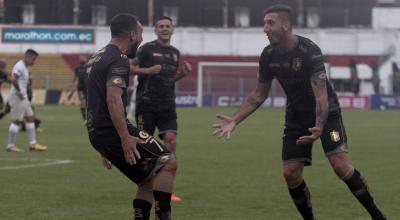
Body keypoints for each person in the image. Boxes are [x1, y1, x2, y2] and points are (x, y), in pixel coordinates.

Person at [213, 5, 386, 220]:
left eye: (270, 23)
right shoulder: (268, 55)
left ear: (286, 25)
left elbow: (321, 96)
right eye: (264, 23)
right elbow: (259, 94)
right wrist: (235, 120)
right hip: (296, 116)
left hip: (326, 114)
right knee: (290, 173)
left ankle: (378, 216)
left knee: (340, 167)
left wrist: (319, 127)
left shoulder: (309, 51)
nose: (265, 28)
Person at [86, 13, 177, 220]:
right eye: (141, 32)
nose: (142, 38)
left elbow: (93, 102)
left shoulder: (96, 57)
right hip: (113, 131)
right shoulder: (119, 59)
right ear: (132, 34)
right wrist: (125, 137)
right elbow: (112, 100)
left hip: (99, 133)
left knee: (146, 181)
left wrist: (102, 146)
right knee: (168, 161)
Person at [131, 16, 191, 201]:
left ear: (172, 30)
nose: (165, 29)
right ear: (156, 30)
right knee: (144, 146)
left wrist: (181, 74)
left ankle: (164, 185)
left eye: (168, 26)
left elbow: (168, 79)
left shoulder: (175, 53)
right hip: (146, 104)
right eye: (161, 26)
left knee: (171, 141)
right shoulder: (146, 49)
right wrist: (147, 71)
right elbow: (128, 67)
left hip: (167, 105)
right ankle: (146, 184)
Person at [6, 49, 47, 152]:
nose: (34, 62)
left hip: (23, 97)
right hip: (18, 97)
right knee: (16, 121)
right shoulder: (20, 66)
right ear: (27, 57)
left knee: (30, 118)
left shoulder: (25, 67)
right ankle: (10, 146)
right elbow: (14, 79)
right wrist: (20, 91)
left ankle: (33, 144)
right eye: (33, 59)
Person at [71, 55, 88, 122]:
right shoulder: (77, 68)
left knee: (88, 103)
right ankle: (84, 118)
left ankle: (88, 117)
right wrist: (71, 84)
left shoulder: (87, 67)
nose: (82, 59)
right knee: (82, 102)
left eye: (83, 58)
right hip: (80, 88)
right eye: (81, 58)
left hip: (87, 87)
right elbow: (75, 77)